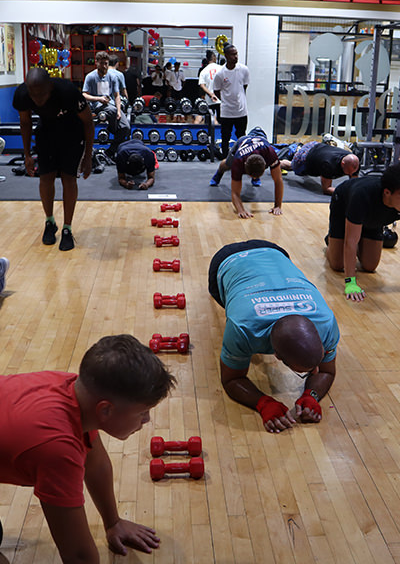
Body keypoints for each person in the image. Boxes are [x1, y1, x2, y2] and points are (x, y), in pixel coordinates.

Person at [0, 334, 176, 561]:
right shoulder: (58, 448)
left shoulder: (78, 393)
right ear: (105, 411)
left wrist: (113, 522)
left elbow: (96, 465)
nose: (147, 420)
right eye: (143, 413)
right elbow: (79, 555)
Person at [208, 240, 339, 433]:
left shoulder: (326, 322)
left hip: (275, 251)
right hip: (226, 259)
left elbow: (326, 371)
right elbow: (231, 379)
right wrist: (263, 403)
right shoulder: (243, 327)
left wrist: (312, 395)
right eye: (303, 372)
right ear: (276, 355)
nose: (316, 370)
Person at [13, 68, 94, 251]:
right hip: (47, 133)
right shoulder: (22, 95)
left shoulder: (68, 92)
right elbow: (25, 122)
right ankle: (50, 222)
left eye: (41, 94)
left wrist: (88, 157)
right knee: (45, 178)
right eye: (33, 95)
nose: (37, 99)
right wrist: (26, 155)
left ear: (50, 86)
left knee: (68, 178)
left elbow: (88, 122)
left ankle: (67, 228)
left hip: (72, 133)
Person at [326, 163, 400, 301]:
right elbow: (351, 242)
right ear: (387, 192)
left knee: (370, 266)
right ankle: (332, 239)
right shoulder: (362, 195)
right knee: (338, 264)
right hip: (344, 206)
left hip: (374, 219)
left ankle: (359, 234)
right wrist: (351, 283)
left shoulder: (394, 200)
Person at [209, 127, 284, 218]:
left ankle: (255, 175)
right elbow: (235, 193)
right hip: (242, 141)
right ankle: (219, 173)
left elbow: (278, 181)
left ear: (265, 166)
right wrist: (240, 210)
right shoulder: (238, 160)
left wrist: (277, 206)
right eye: (252, 176)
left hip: (261, 141)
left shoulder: (270, 153)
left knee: (269, 172)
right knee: (227, 164)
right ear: (244, 168)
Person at [82, 51, 130, 159]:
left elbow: (117, 95)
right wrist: (98, 98)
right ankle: (112, 128)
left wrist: (119, 110)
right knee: (112, 111)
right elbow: (84, 95)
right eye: (102, 63)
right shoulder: (90, 76)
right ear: (97, 63)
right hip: (97, 106)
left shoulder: (112, 77)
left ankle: (110, 152)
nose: (104, 66)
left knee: (126, 127)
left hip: (111, 106)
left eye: (106, 63)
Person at [280, 141, 360, 195]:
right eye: (348, 172)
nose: (350, 174)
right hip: (305, 155)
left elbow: (354, 183)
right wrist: (345, 193)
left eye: (352, 172)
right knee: (292, 167)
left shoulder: (354, 163)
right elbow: (326, 189)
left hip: (319, 148)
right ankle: (277, 163)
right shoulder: (328, 164)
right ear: (343, 164)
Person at [213, 43, 250, 158]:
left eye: (236, 54)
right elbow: (216, 91)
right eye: (233, 54)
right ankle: (225, 160)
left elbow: (244, 87)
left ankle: (241, 158)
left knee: (241, 136)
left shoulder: (244, 70)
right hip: (226, 112)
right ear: (226, 56)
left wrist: (238, 98)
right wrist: (226, 100)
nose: (236, 57)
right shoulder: (220, 74)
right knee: (225, 137)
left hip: (241, 111)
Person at [198, 50, 222, 123]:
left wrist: (211, 94)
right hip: (220, 98)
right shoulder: (221, 68)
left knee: (208, 121)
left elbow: (202, 85)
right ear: (214, 57)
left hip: (209, 99)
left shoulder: (204, 71)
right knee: (221, 121)